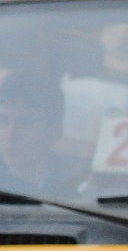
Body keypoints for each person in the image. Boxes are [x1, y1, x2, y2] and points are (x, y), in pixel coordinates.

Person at [0, 70, 77, 199]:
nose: (11, 136)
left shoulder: (77, 192)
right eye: (3, 121)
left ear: (54, 131)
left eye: (26, 122)